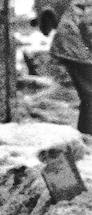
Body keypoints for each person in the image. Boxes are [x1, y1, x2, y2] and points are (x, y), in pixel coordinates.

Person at [49, 0, 92, 133]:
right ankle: (87, 134)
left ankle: (85, 132)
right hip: (73, 48)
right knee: (90, 93)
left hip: (73, 46)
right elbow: (88, 27)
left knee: (88, 93)